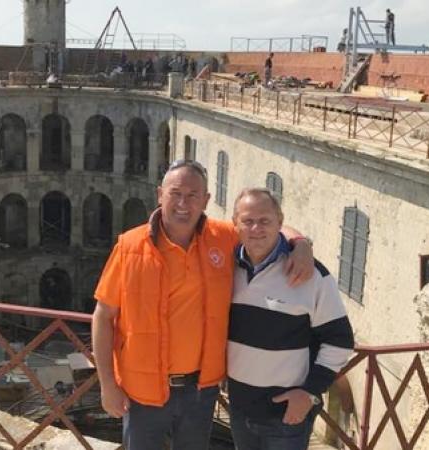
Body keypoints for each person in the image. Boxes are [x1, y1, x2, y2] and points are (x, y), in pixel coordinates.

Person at [92, 160, 314, 450]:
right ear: (160, 194)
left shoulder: (223, 238)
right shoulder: (130, 247)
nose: (183, 203)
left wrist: (301, 243)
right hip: (140, 390)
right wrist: (107, 384)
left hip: (200, 391)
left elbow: (268, 229)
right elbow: (103, 316)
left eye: (193, 195)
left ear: (206, 200)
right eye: (176, 193)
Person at [227, 188, 355, 450]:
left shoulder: (311, 274)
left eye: (265, 221)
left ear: (280, 221)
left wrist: (309, 392)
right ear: (235, 224)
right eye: (248, 221)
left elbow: (340, 340)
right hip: (240, 410)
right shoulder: (228, 268)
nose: (256, 229)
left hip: (287, 415)